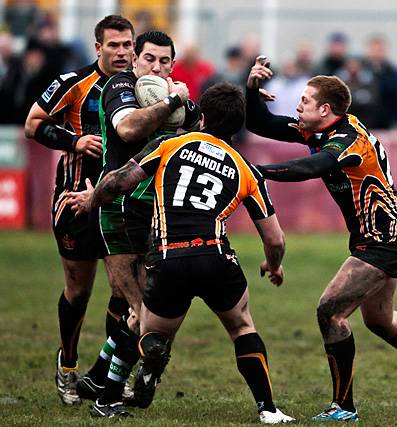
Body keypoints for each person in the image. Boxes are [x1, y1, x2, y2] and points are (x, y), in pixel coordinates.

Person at [67, 82, 294, 424]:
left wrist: (90, 200)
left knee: (143, 325)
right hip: (215, 257)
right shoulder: (246, 168)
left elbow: (118, 182)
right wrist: (273, 265)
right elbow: (275, 239)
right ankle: (268, 409)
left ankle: (121, 385)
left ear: (200, 117)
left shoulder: (170, 145)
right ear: (239, 126)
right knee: (242, 327)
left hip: (168, 256)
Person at [246, 56, 397, 421]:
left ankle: (343, 407)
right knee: (379, 320)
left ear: (325, 109)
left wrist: (259, 172)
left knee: (330, 311)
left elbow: (315, 166)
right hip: (377, 234)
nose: (297, 106)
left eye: (305, 101)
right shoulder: (320, 130)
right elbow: (259, 123)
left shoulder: (347, 139)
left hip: (385, 237)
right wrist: (250, 91)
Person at [72, 30, 200, 415]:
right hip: (121, 209)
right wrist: (173, 101)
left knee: (144, 307)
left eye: (164, 61)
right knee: (143, 310)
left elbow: (192, 137)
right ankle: (108, 396)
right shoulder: (121, 85)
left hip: (159, 213)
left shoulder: (179, 97)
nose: (156, 67)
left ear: (173, 64)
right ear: (136, 59)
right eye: (149, 59)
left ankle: (98, 378)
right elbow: (127, 129)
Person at [22, 15, 135, 406]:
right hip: (76, 201)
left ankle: (107, 377)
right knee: (80, 291)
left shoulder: (142, 87)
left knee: (123, 291)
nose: (121, 53)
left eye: (126, 45)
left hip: (121, 204)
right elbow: (32, 124)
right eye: (113, 46)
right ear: (98, 47)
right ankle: (67, 365)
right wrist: (74, 140)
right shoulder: (73, 84)